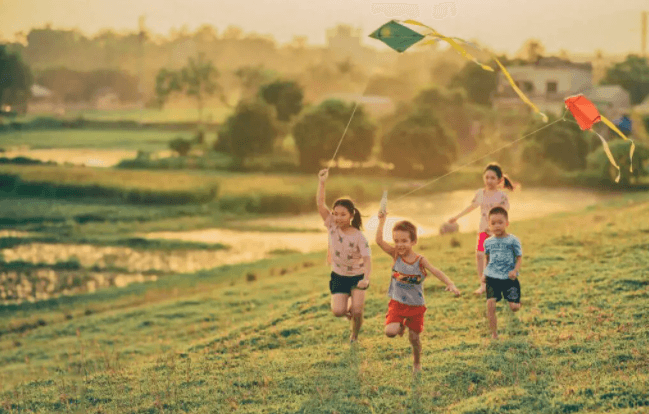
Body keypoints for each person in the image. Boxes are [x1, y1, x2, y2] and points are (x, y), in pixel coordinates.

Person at [376, 210, 460, 373]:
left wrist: (450, 283)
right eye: (396, 241)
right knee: (390, 332)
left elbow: (436, 271)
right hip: (398, 303)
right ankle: (400, 324)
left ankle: (417, 363)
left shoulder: (420, 260)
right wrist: (382, 221)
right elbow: (379, 241)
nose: (399, 245)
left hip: (415, 306)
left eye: (404, 241)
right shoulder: (395, 255)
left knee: (414, 339)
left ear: (413, 241)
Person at [317, 169, 371, 343]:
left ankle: (354, 335)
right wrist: (322, 182)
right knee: (338, 312)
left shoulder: (359, 236)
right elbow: (320, 203)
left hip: (357, 276)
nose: (338, 218)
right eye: (336, 213)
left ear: (351, 215)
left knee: (356, 311)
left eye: (343, 214)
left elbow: (368, 260)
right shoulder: (332, 225)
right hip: (339, 276)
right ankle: (351, 306)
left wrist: (367, 279)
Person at [447, 162, 514, 295]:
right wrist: (456, 217)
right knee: (479, 255)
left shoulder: (502, 196)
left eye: (492, 178)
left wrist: (497, 227)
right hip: (483, 229)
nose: (489, 180)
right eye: (487, 177)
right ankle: (483, 285)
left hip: (496, 231)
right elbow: (471, 206)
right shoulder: (480, 193)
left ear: (499, 180)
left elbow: (504, 213)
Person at [482, 206, 523, 340]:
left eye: (500, 222)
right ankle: (494, 333)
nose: (497, 226)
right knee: (490, 304)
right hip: (492, 277)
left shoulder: (513, 240)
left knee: (514, 307)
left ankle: (514, 300)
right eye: (493, 223)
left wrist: (515, 270)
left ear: (507, 223)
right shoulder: (488, 242)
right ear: (489, 225)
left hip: (508, 278)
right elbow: (487, 258)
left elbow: (519, 257)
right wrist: (484, 272)